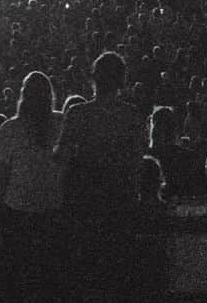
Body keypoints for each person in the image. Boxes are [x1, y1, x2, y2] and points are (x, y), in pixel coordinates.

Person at [53, 51, 143, 290]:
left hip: (83, 202)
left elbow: (60, 157)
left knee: (85, 274)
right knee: (116, 275)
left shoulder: (78, 113)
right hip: (119, 201)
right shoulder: (131, 115)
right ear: (122, 80)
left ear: (94, 79)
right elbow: (136, 163)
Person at [0, 71, 64, 296]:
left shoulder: (10, 128)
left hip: (18, 211)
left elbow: (0, 176)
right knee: (47, 278)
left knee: (18, 277)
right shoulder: (62, 122)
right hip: (52, 209)